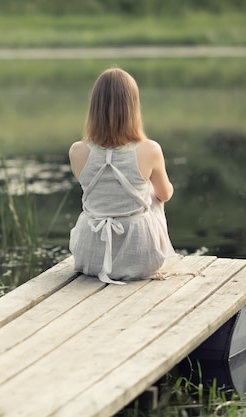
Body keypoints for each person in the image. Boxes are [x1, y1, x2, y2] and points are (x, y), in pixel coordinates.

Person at [68, 67, 179, 285]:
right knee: (153, 196)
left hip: (90, 258)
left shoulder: (77, 151)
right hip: (141, 260)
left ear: (95, 106)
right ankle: (147, 253)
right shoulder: (149, 149)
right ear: (132, 107)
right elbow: (164, 195)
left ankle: (106, 257)